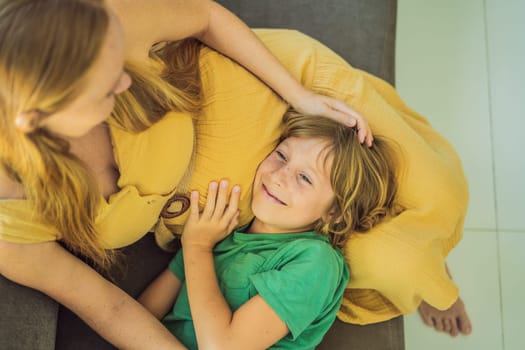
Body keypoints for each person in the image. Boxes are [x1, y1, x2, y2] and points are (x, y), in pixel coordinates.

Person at [0, 0, 371, 348]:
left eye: (119, 65)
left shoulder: (90, 23)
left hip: (274, 111)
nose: (125, 82)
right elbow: (111, 308)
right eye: (106, 88)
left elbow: (205, 16)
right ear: (36, 120)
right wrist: (196, 247)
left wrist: (299, 95)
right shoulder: (12, 231)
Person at [139, 113, 400, 349]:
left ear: (334, 215)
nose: (279, 175)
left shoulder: (317, 261)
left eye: (305, 178)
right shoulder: (219, 233)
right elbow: (142, 316)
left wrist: (197, 247)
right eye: (282, 155)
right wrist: (198, 245)